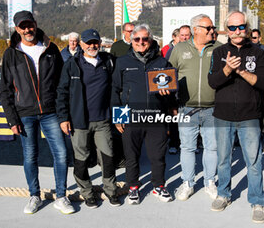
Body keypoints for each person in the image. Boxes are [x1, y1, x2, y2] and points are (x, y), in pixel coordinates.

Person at [0, 10, 74, 214]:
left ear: (35, 23)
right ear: (16, 29)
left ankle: (61, 196)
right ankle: (34, 195)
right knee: (30, 156)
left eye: (29, 25)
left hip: (51, 112)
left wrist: (64, 114)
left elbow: (62, 84)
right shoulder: (11, 53)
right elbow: (5, 89)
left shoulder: (51, 50)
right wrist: (12, 119)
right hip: (25, 113)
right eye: (22, 26)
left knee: (61, 154)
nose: (27, 29)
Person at [208, 10, 264, 223]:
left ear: (247, 27)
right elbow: (213, 82)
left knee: (253, 161)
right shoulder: (218, 52)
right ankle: (224, 194)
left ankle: (257, 201)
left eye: (241, 26)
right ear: (226, 29)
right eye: (232, 27)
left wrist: (241, 70)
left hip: (250, 115)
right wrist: (226, 69)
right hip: (223, 115)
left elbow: (262, 83)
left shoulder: (258, 52)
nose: (237, 31)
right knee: (224, 160)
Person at [56, 29, 120, 208]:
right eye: (89, 43)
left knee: (108, 157)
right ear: (81, 44)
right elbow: (62, 92)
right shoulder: (72, 64)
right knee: (81, 160)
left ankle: (111, 190)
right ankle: (87, 192)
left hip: (103, 120)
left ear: (100, 43)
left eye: (95, 42)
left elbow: (118, 89)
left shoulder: (109, 62)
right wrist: (63, 118)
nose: (92, 46)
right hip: (79, 121)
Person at [111, 24, 173, 205]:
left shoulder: (162, 62)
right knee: (131, 156)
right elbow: (115, 90)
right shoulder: (122, 62)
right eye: (137, 39)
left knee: (158, 156)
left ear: (151, 40)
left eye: (145, 39)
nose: (141, 42)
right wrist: (118, 118)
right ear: (131, 40)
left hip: (156, 117)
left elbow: (171, 91)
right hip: (131, 117)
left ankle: (159, 186)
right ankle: (133, 188)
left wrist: (168, 95)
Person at [169, 14, 221, 201]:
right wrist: (171, 102)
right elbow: (168, 73)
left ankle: (209, 182)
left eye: (213, 27)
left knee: (212, 148)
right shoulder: (180, 48)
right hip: (186, 108)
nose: (212, 31)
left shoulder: (218, 48)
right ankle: (188, 183)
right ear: (196, 29)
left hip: (212, 109)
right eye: (209, 28)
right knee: (187, 148)